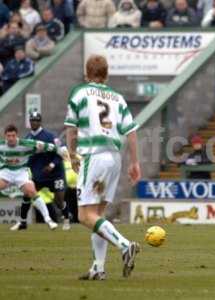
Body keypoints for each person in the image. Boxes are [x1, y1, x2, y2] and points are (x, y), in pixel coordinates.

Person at [65, 55, 141, 280]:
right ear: (106, 75)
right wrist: (135, 162)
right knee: (98, 214)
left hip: (93, 156)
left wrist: (72, 155)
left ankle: (125, 246)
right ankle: (98, 268)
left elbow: (71, 127)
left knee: (84, 215)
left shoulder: (79, 93)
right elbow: (132, 131)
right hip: (114, 158)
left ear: (87, 74)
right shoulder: (118, 98)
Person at [11, 112, 72, 231]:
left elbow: (63, 152)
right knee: (27, 195)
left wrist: (52, 164)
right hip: (39, 175)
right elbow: (27, 158)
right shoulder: (28, 139)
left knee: (59, 201)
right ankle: (23, 223)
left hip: (55, 174)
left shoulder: (50, 136)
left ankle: (66, 219)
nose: (34, 122)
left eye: (36, 120)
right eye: (32, 120)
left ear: (40, 122)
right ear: (30, 122)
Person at [0, 124, 58, 230]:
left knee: (31, 191)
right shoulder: (1, 145)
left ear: (17, 135)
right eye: (8, 136)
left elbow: (47, 146)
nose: (11, 138)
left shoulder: (26, 144)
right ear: (5, 136)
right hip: (6, 171)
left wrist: (58, 149)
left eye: (13, 136)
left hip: (21, 171)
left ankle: (48, 219)